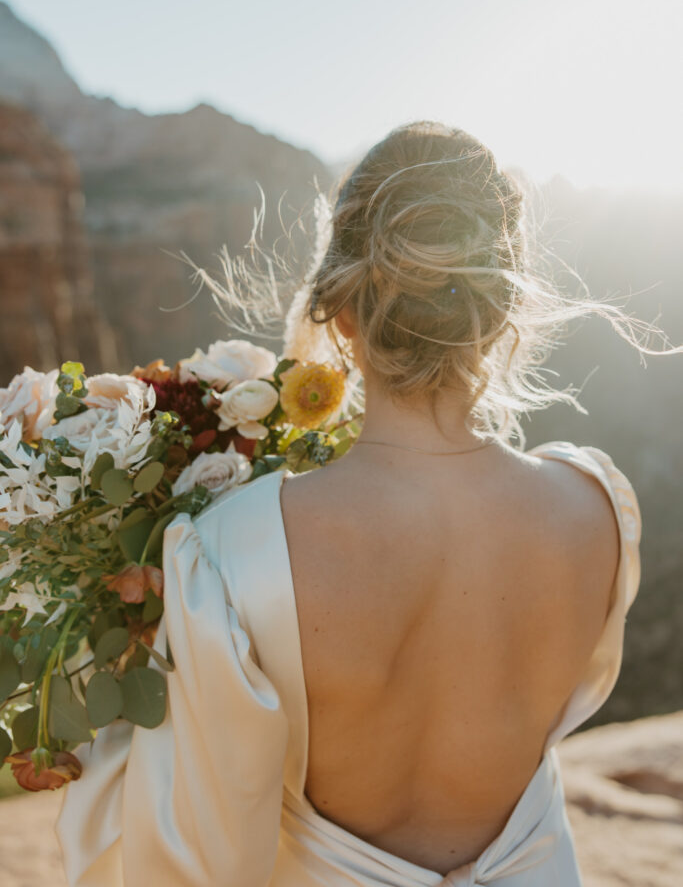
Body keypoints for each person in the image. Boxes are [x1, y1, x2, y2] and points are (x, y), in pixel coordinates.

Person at [57, 122, 651, 886]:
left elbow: (189, 852)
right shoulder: (598, 509)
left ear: (339, 311)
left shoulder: (233, 549)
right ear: (502, 310)